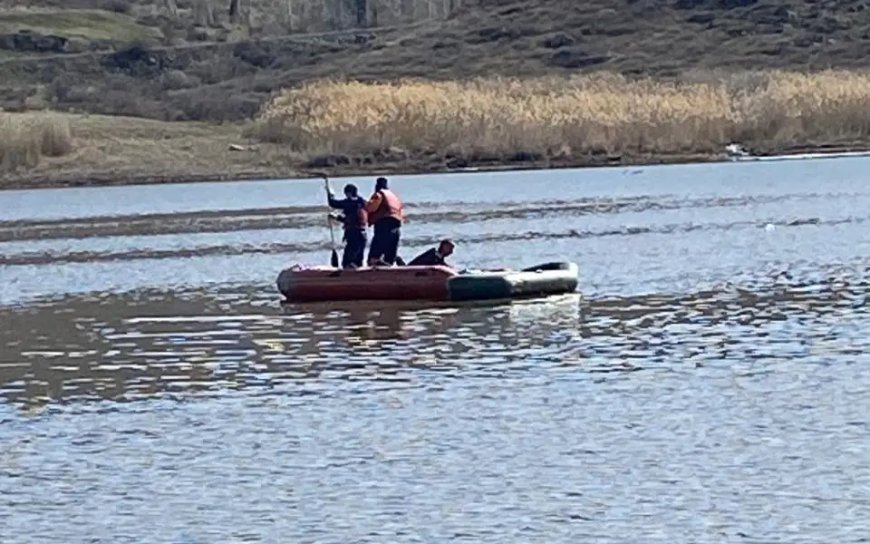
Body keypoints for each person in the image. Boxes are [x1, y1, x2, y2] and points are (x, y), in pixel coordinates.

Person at [365, 176, 404, 266]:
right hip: (396, 228)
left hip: (384, 228)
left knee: (373, 257)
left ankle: (372, 274)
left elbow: (370, 208)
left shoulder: (379, 195)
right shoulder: (394, 196)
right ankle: (389, 269)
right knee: (389, 257)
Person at [327, 183, 368, 269]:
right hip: (363, 234)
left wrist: (330, 193)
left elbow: (333, 203)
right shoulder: (363, 202)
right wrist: (338, 217)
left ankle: (346, 277)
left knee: (347, 261)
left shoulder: (349, 202)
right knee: (358, 260)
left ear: (349, 193)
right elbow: (353, 218)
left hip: (353, 234)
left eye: (346, 194)